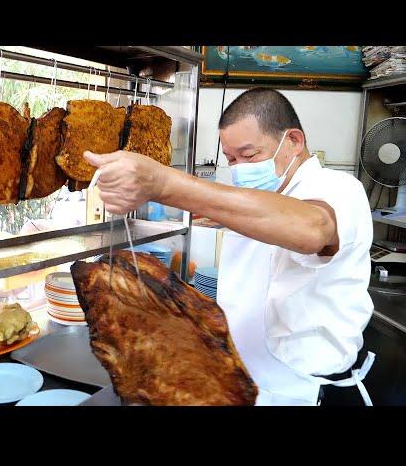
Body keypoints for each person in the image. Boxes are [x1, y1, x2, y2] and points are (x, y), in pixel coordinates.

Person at [84, 87, 374, 406]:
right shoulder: (272, 193)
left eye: (249, 156)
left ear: (293, 141)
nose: (239, 169)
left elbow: (313, 230)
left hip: (305, 389)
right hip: (246, 381)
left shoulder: (339, 188)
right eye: (231, 159)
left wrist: (164, 184)